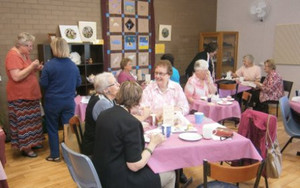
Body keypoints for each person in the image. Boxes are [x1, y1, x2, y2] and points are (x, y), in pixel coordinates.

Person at [93, 81, 175, 188]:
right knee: (170, 174)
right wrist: (153, 144)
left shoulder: (104, 114)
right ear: (137, 101)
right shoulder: (131, 123)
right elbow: (135, 165)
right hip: (119, 181)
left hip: (100, 173)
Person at [139, 60, 189, 183]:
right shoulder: (149, 88)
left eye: (161, 73)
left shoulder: (176, 87)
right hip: (154, 127)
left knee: (179, 148)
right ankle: (161, 172)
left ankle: (178, 171)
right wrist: (156, 114)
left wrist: (167, 110)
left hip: (174, 127)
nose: (158, 76)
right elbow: (143, 109)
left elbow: (185, 108)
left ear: (168, 75)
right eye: (156, 73)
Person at [40, 37, 81, 162]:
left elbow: (43, 84)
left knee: (52, 128)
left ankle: (55, 155)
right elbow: (78, 83)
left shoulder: (49, 65)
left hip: (52, 102)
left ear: (54, 49)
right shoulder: (73, 66)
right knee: (67, 128)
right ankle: (69, 155)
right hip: (68, 101)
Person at [5, 32, 44, 158]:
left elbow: (25, 70)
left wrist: (35, 68)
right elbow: (16, 77)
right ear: (21, 45)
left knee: (33, 121)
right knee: (24, 124)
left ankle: (33, 143)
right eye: (29, 46)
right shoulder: (12, 55)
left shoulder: (24, 54)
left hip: (30, 95)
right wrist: (32, 66)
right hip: (20, 97)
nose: (31, 48)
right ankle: (26, 148)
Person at [82, 72, 120, 156]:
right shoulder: (102, 103)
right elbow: (114, 128)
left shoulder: (104, 97)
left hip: (100, 144)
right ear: (106, 90)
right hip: (96, 150)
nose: (119, 84)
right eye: (114, 83)